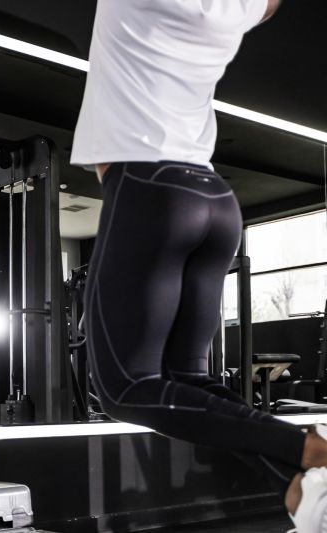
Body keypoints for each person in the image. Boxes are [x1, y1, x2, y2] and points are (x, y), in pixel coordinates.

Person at [71, 1, 327, 531]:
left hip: (150, 188)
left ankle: (311, 449)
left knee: (124, 389)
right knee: (194, 381)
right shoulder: (230, 9)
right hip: (213, 199)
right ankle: (298, 491)